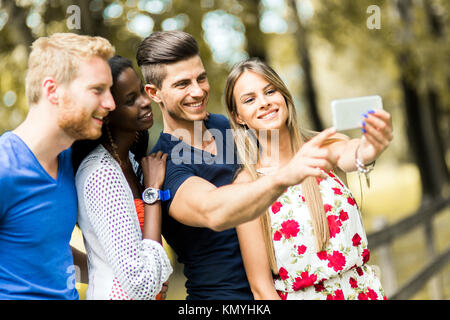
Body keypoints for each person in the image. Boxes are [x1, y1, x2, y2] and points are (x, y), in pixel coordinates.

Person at [136, 30, 342, 300]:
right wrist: (283, 177)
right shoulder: (166, 165)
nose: (198, 91)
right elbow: (215, 212)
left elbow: (290, 146)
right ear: (154, 93)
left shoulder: (226, 126)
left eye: (201, 78)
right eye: (182, 84)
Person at [224, 58, 393, 300]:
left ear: (283, 96)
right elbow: (262, 289)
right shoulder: (247, 185)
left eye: (270, 91)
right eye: (249, 99)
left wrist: (370, 149)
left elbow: (353, 153)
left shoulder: (325, 147)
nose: (264, 103)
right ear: (238, 116)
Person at [0, 33, 115, 299]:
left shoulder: (68, 161)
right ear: (53, 91)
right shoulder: (5, 168)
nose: (110, 103)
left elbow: (46, 252)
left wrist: (116, 274)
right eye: (97, 90)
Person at [72, 56, 172, 300]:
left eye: (141, 90)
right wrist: (152, 194)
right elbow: (141, 283)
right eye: (131, 100)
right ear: (106, 112)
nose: (145, 102)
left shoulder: (132, 163)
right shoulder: (101, 174)